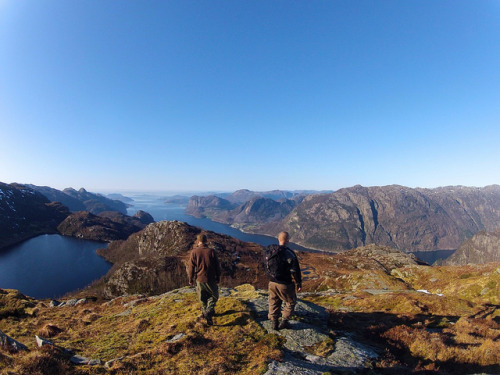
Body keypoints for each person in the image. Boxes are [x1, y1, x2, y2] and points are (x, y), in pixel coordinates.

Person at [266, 231, 302, 330]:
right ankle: (284, 321)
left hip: (272, 282)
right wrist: (299, 283)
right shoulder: (289, 253)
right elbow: (295, 270)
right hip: (285, 283)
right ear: (287, 240)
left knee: (274, 301)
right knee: (290, 302)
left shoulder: (270, 251)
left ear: (278, 239)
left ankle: (274, 322)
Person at [187, 233, 221, 326]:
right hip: (210, 278)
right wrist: (218, 277)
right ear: (206, 241)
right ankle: (209, 312)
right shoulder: (211, 251)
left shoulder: (194, 252)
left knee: (203, 297)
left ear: (198, 242)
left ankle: (205, 312)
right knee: (214, 295)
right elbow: (217, 266)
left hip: (199, 279)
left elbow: (191, 268)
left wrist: (190, 279)